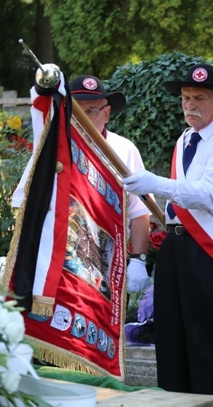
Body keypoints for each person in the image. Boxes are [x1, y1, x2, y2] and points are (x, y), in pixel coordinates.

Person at [123, 63, 213, 406]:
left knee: (208, 345)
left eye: (199, 97)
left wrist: (156, 184)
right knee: (172, 340)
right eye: (185, 97)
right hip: (178, 246)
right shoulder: (186, 138)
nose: (189, 104)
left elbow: (208, 194)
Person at [69, 75, 151, 294]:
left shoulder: (124, 149)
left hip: (110, 259)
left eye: (91, 111)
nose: (82, 119)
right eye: (76, 111)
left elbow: (140, 210)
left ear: (106, 113)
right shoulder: (53, 148)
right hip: (65, 256)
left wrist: (138, 260)